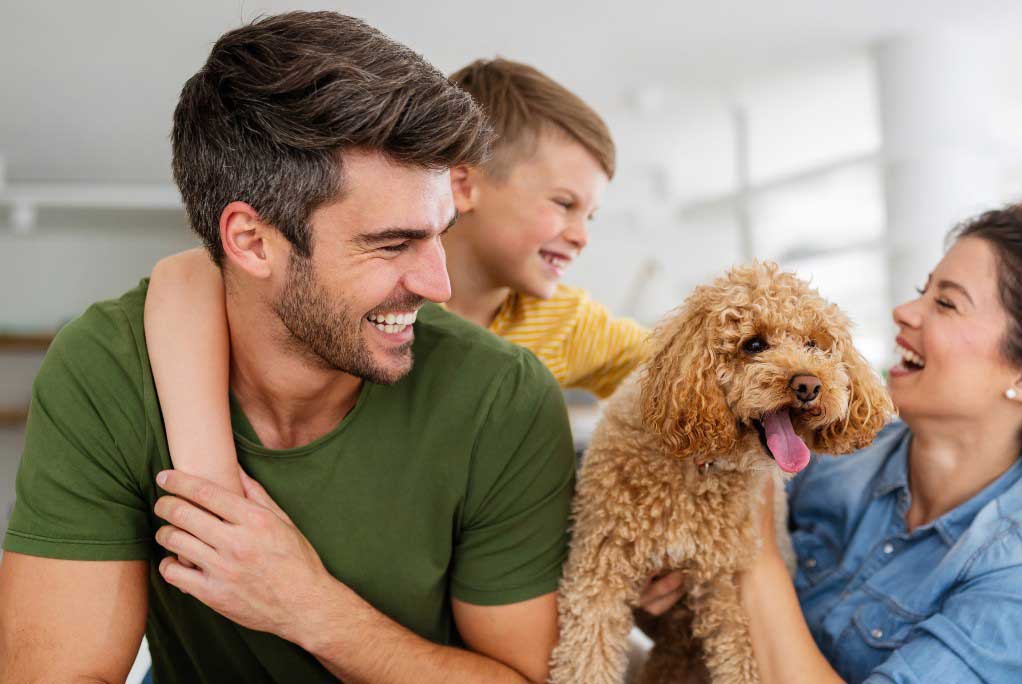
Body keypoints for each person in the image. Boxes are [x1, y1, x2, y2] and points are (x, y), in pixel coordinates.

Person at [0, 12, 575, 683]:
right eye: (391, 244)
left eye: (438, 234)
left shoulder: (501, 398)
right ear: (250, 241)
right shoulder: (108, 370)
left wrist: (311, 609)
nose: (437, 283)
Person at [735, 204, 1022, 684]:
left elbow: (749, 553)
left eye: (946, 303)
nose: (904, 311)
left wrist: (752, 553)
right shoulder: (834, 452)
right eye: (924, 291)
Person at [145, 57, 650, 498]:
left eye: (592, 216)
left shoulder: (567, 323)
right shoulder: (369, 298)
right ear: (463, 185)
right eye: (564, 203)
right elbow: (186, 275)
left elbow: (685, 372)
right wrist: (209, 473)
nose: (582, 235)